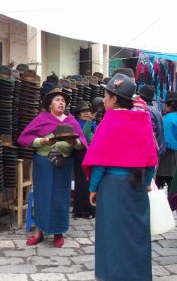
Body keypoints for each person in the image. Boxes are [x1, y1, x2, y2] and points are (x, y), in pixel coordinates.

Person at [83, 73, 158, 281]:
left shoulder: (109, 122)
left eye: (105, 96)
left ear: (114, 99)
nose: (104, 100)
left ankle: (112, 275)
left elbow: (100, 161)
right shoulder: (142, 120)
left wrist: (93, 188)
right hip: (136, 186)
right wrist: (147, 182)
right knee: (136, 234)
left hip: (113, 187)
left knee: (111, 234)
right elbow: (151, 158)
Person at [18, 88, 88, 248]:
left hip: (64, 165)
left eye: (63, 100)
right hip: (43, 164)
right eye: (57, 100)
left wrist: (73, 142)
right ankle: (39, 232)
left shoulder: (71, 121)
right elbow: (24, 137)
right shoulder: (42, 119)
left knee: (60, 197)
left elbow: (82, 143)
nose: (61, 102)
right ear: (50, 104)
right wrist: (41, 141)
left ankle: (58, 232)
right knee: (42, 195)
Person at [72, 101, 96, 218]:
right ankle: (82, 210)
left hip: (91, 157)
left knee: (90, 183)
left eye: (88, 111)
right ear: (78, 114)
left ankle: (91, 208)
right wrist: (89, 122)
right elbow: (83, 136)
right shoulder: (76, 124)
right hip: (81, 157)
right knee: (82, 184)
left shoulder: (91, 123)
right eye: (84, 111)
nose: (87, 113)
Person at [138, 84, 166, 156]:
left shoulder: (142, 110)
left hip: (146, 152)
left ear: (140, 97)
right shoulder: (156, 111)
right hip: (155, 151)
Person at [157, 91, 177, 189]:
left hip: (164, 156)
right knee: (173, 186)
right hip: (175, 156)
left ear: (169, 106)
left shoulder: (165, 118)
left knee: (159, 184)